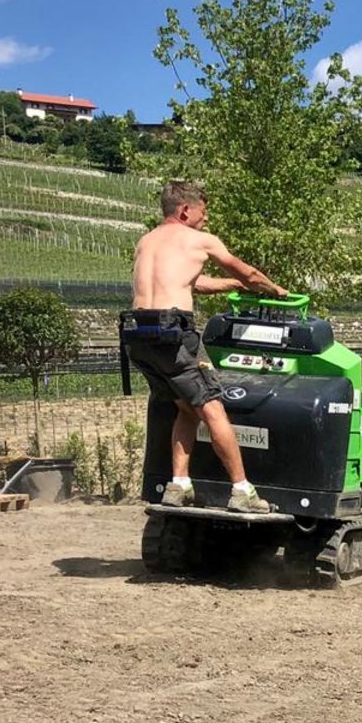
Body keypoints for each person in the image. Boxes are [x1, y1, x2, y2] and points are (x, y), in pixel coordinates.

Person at [126, 180, 287, 513]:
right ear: (185, 210)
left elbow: (189, 281)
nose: (206, 219)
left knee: (186, 408)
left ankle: (178, 486)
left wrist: (232, 284)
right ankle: (243, 491)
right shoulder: (200, 240)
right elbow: (250, 273)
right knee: (213, 409)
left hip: (138, 335)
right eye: (203, 211)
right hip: (174, 335)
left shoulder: (147, 241)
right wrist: (273, 289)